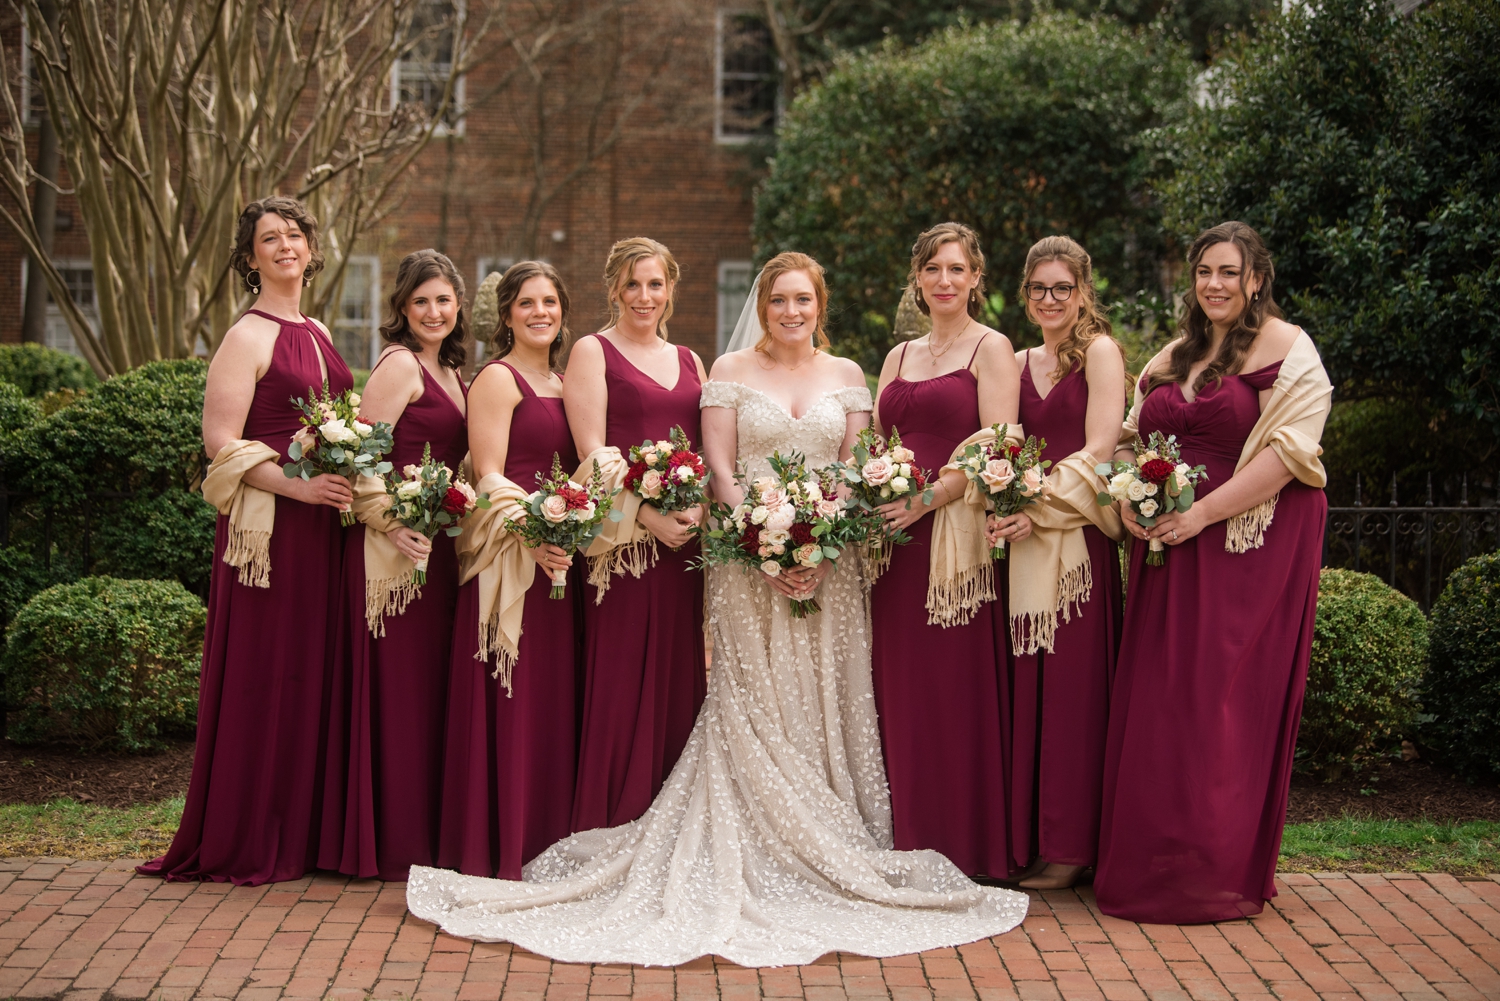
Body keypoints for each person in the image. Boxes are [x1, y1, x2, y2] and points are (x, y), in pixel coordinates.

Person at [402, 251, 1028, 967]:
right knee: (753, 699)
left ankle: (828, 834)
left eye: (802, 299)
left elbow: (858, 470)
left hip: (834, 562)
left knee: (825, 696)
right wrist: (768, 542)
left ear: (819, 304)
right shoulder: (725, 370)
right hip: (742, 556)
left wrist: (818, 545)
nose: (790, 311)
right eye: (778, 300)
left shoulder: (852, 375)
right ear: (761, 306)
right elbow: (719, 469)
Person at [1094, 221, 1331, 923]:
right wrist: (1128, 501)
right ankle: (1150, 862)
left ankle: (1210, 869)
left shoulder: (1291, 350)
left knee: (1215, 704)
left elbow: (1291, 455)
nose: (1215, 284)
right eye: (1204, 272)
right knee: (1161, 704)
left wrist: (1203, 516)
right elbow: (1132, 443)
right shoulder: (1173, 354)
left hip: (1242, 549)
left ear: (1256, 277)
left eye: (1229, 272)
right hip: (1165, 548)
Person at [140, 196, 353, 884]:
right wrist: (297, 487)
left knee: (313, 672)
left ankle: (305, 827)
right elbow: (220, 443)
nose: (285, 245)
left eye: (294, 234)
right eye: (270, 238)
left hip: (323, 529)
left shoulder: (318, 329)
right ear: (250, 256)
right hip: (270, 531)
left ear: (311, 248)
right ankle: (251, 831)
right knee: (269, 673)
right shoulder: (247, 335)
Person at [867, 222, 1024, 879]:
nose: (945, 280)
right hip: (895, 548)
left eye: (957, 269)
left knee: (953, 690)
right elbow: (875, 443)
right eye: (933, 268)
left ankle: (965, 842)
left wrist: (931, 496)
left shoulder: (991, 348)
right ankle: (906, 838)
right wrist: (870, 488)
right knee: (898, 690)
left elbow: (999, 445)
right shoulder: (897, 356)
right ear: (918, 278)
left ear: (976, 278)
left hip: (954, 542)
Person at [318, 250, 470, 880]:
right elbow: (358, 457)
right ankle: (384, 840)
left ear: (458, 305)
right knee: (396, 692)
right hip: (391, 553)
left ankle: (424, 836)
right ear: (403, 309)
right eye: (421, 302)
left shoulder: (455, 371)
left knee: (429, 693)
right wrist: (393, 520)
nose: (434, 312)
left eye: (443, 300)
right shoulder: (399, 365)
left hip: (438, 552)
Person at [436, 261, 583, 879]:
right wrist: (536, 530)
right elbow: (489, 472)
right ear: (507, 314)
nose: (540, 313)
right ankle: (502, 841)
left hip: (562, 557)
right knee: (512, 694)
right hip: (512, 555)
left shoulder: (566, 380)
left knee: (554, 702)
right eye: (527, 303)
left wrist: (568, 530)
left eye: (550, 301)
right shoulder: (497, 379)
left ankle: (552, 835)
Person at [560, 237, 708, 832]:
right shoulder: (592, 352)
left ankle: (672, 821)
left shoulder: (693, 361)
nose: (644, 296)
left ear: (671, 288)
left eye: (655, 284)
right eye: (631, 284)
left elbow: (704, 448)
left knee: (679, 673)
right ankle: (613, 818)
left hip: (684, 548)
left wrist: (695, 511)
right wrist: (645, 515)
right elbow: (591, 452)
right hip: (621, 545)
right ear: (613, 289)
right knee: (622, 677)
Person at [1002, 236, 1127, 890]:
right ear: (1025, 295)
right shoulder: (1017, 361)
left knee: (1076, 694)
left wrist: (1037, 505)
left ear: (1083, 291)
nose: (1050, 299)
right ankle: (1030, 834)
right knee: (1031, 690)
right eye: (1038, 289)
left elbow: (1101, 449)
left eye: (1062, 288)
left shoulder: (1100, 354)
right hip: (1022, 546)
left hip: (1077, 542)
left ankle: (1074, 843)